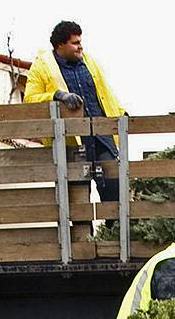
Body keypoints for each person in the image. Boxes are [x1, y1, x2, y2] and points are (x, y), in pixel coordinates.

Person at [24, 21, 125, 202]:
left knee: (115, 189)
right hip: (71, 143)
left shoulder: (89, 62)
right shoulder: (42, 67)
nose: (80, 46)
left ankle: (113, 230)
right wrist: (57, 95)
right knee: (77, 200)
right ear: (61, 45)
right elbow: (29, 99)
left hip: (102, 137)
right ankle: (83, 231)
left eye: (80, 41)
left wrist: (121, 113)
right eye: (75, 42)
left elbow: (104, 93)